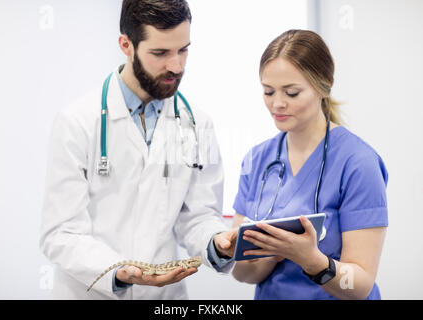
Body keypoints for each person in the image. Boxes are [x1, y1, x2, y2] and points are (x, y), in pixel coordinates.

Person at [39, 0, 236, 300]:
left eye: (183, 49)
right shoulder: (77, 122)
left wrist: (217, 241)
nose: (177, 66)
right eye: (160, 53)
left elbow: (198, 217)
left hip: (166, 299)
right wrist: (118, 270)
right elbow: (61, 234)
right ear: (126, 45)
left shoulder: (198, 124)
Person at [231, 29, 388, 300]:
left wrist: (313, 261)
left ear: (322, 87)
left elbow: (359, 284)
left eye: (291, 93)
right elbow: (241, 272)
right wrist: (274, 253)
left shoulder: (358, 163)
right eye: (268, 91)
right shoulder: (257, 160)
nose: (277, 104)